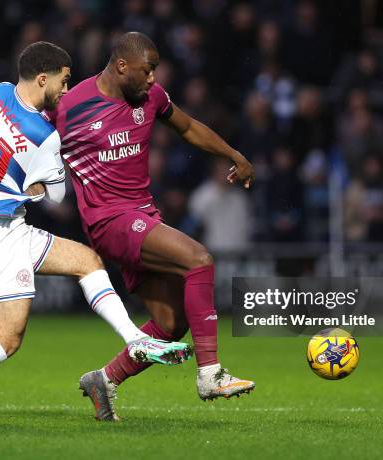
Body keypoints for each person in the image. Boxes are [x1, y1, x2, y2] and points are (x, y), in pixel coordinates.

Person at [0, 41, 191, 425]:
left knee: (87, 261)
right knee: (5, 338)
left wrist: (6, 173)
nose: (67, 91)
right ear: (43, 78)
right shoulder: (45, 134)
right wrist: (35, 182)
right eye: (64, 82)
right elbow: (56, 196)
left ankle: (136, 339)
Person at [51, 32, 256, 421]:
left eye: (155, 71)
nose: (152, 79)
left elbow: (189, 127)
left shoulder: (152, 98)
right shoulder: (71, 105)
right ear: (122, 65)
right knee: (199, 259)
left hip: (142, 217)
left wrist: (232, 154)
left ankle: (105, 380)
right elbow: (30, 141)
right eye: (147, 71)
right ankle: (210, 373)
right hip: (108, 221)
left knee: (170, 324)